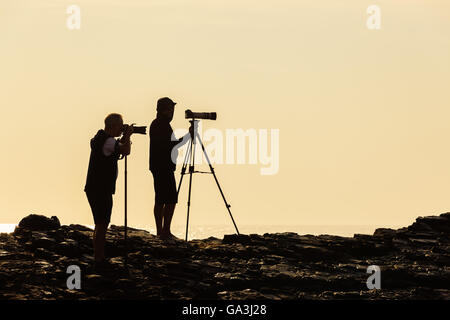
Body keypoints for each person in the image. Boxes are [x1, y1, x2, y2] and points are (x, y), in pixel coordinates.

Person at [84, 113, 133, 265]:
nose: (122, 128)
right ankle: (99, 257)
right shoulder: (108, 141)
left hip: (94, 187)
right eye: (121, 125)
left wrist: (124, 136)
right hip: (101, 188)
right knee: (102, 223)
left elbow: (118, 148)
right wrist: (128, 136)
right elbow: (125, 150)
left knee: (99, 222)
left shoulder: (101, 139)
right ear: (113, 126)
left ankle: (98, 255)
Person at [149, 97, 191, 240]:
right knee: (169, 199)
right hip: (163, 166)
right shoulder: (160, 125)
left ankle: (162, 231)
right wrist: (187, 138)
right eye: (170, 109)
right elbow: (170, 146)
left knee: (161, 199)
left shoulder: (159, 124)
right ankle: (164, 231)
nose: (172, 112)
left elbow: (169, 145)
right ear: (164, 110)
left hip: (159, 166)